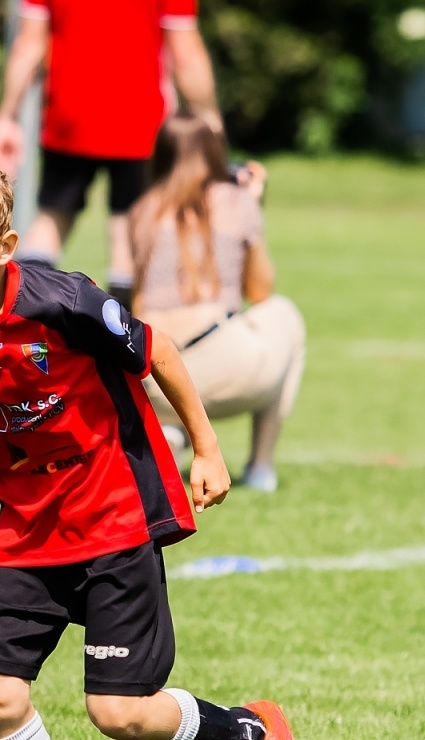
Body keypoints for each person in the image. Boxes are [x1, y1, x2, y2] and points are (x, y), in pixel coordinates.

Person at [0, 145, 316, 740]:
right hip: (26, 526)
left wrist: (206, 445)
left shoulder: (61, 300)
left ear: (4, 248)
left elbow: (155, 350)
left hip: (111, 515)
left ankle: (249, 734)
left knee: (120, 713)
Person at [0, 0, 219, 306]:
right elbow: (185, 54)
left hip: (69, 117)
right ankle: (124, 342)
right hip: (140, 120)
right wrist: (210, 117)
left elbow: (29, 46)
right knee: (128, 232)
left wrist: (7, 116)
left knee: (51, 220)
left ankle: (21, 322)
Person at [130, 114, 305, 492]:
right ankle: (260, 465)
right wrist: (254, 207)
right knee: (283, 313)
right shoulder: (237, 200)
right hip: (228, 369)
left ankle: (172, 433)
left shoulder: (142, 210)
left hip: (156, 380)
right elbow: (260, 290)